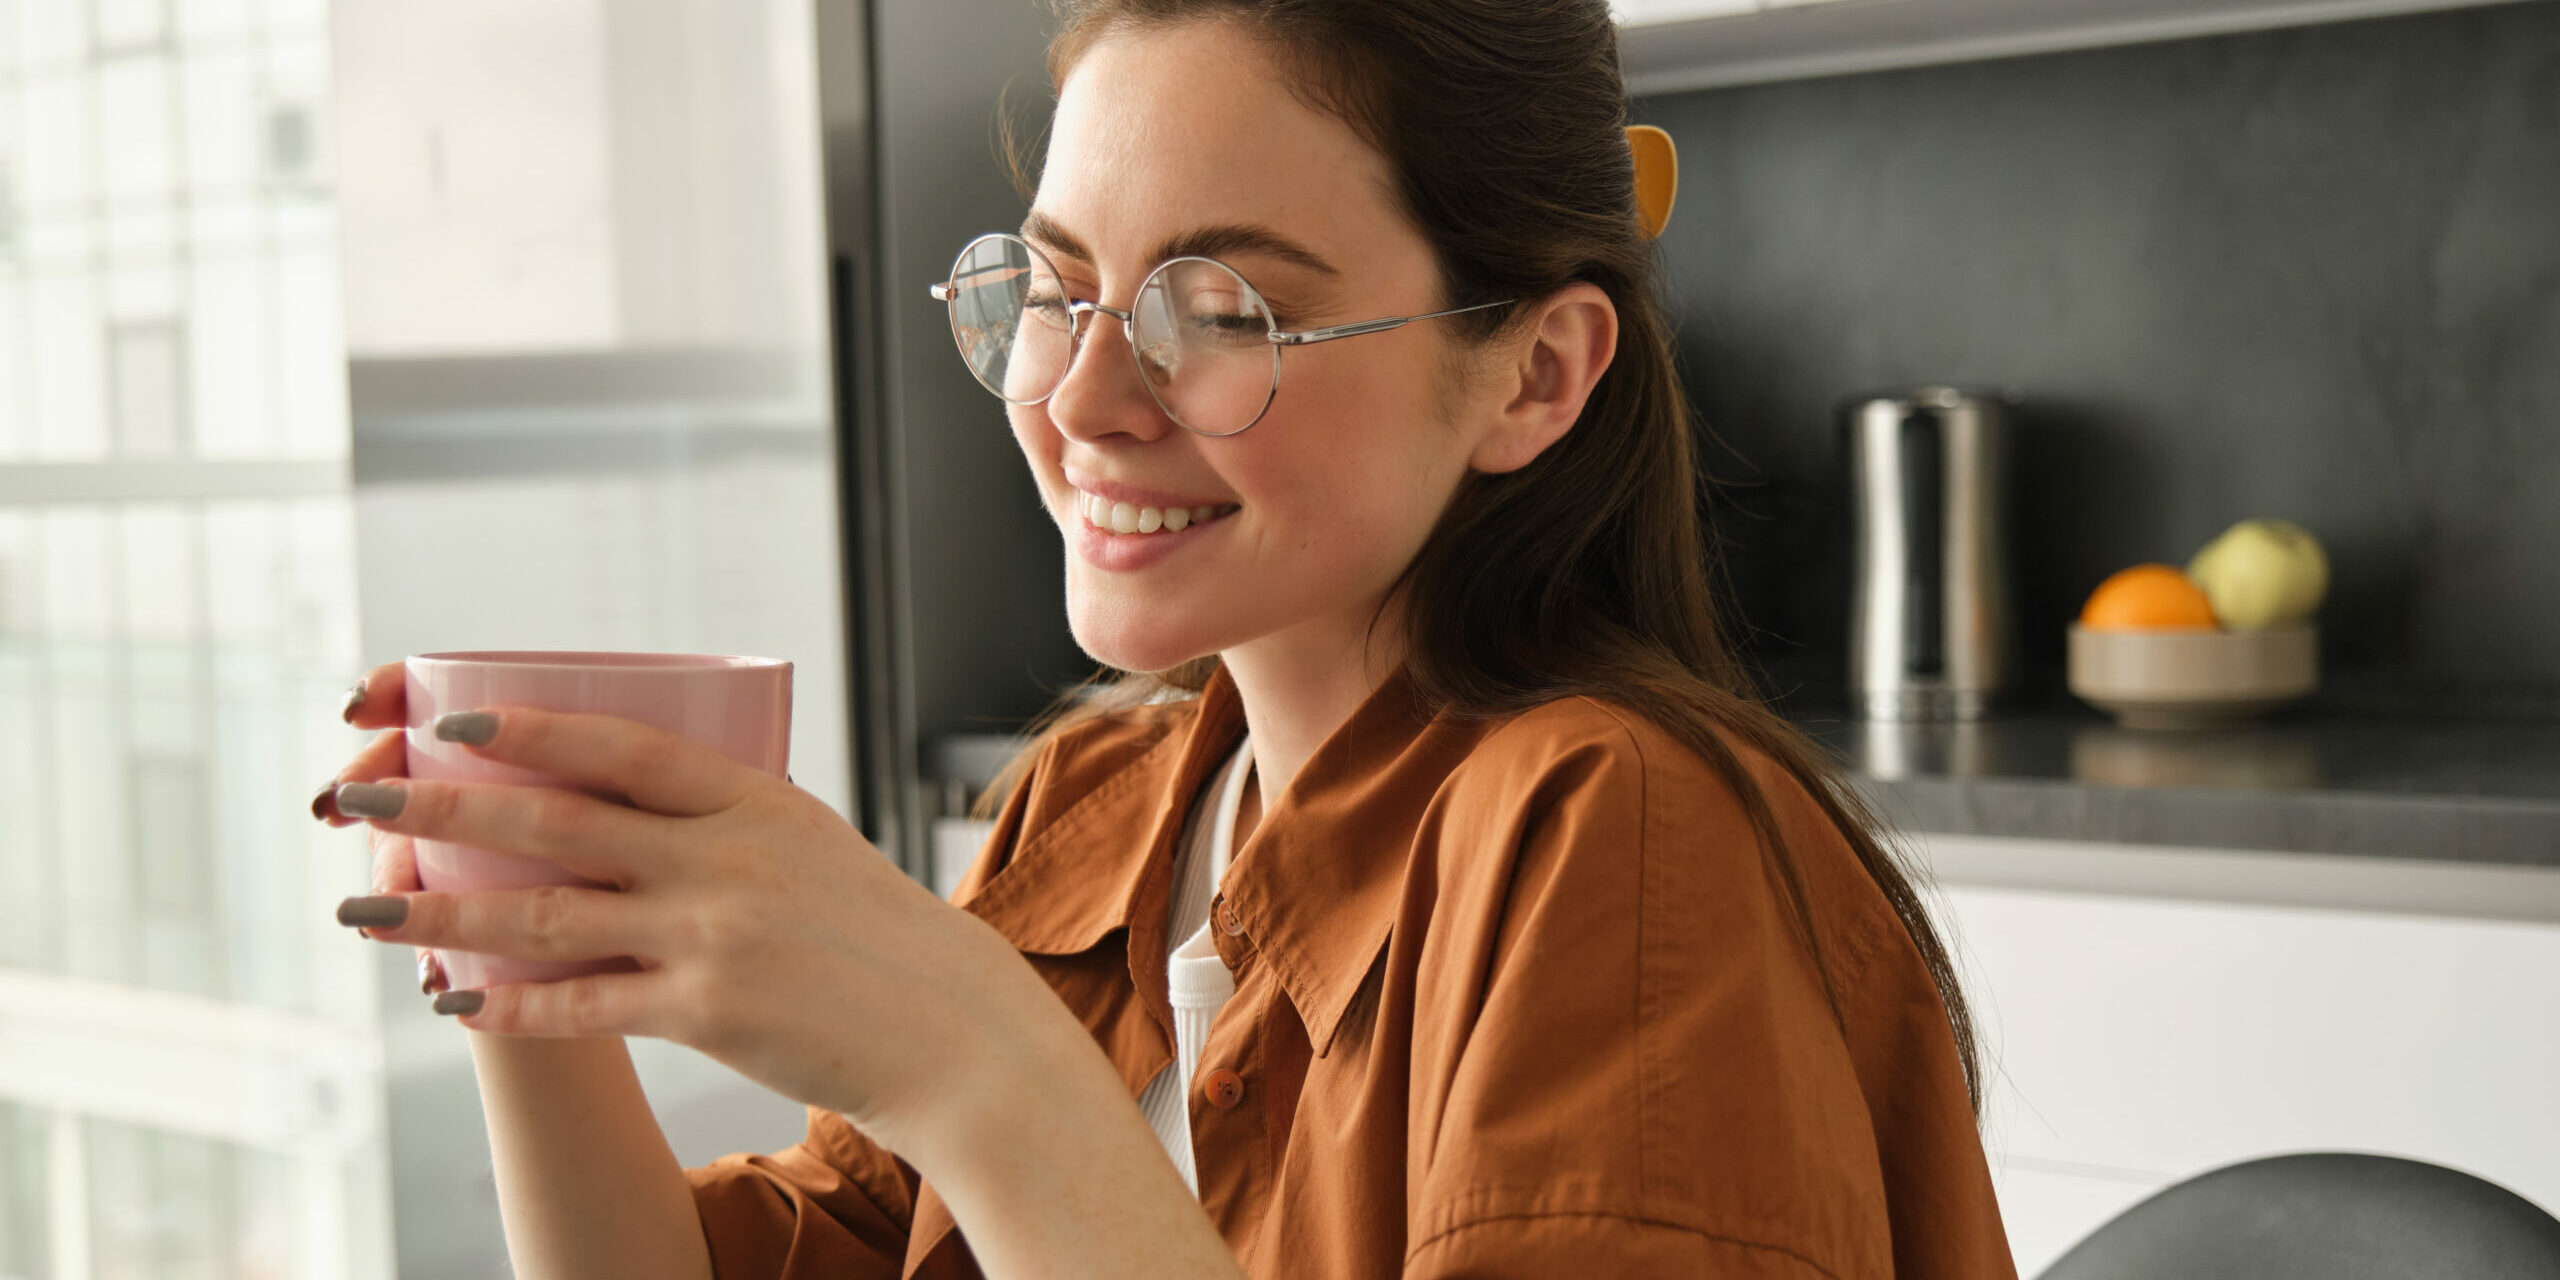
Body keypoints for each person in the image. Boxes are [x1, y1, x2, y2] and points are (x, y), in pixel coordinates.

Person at [314, 1, 2015, 1276]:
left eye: (1222, 314)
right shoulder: (1108, 801)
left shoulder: (1612, 839)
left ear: (1536, 372)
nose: (1079, 397)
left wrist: (975, 1065)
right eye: (1053, 291)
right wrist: (518, 944)